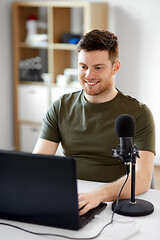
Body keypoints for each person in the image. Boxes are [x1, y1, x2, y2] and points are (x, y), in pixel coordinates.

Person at [33, 29, 155, 216]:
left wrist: (99, 194)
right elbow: (38, 164)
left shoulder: (138, 113)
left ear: (115, 67)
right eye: (83, 67)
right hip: (73, 199)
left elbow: (143, 177)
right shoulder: (60, 107)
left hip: (114, 203)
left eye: (98, 67)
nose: (88, 75)